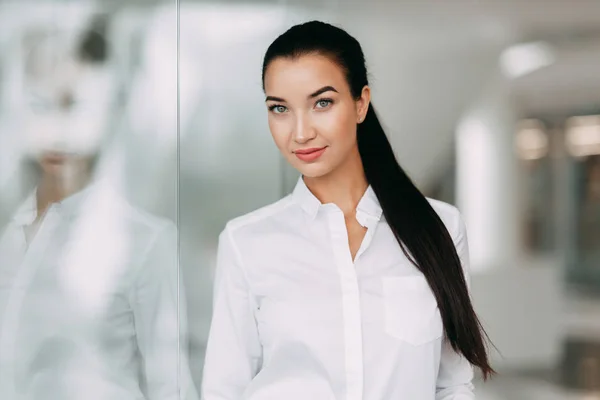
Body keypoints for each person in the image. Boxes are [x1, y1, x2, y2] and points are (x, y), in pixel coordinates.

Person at [202, 20, 494, 399]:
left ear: (360, 103)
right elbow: (224, 391)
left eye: (322, 102)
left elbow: (452, 384)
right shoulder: (246, 243)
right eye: (280, 109)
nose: (301, 132)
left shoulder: (439, 227)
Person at [0, 13, 197, 400]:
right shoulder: (10, 235)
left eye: (76, 106)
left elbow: (171, 387)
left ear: (110, 107)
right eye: (41, 105)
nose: (58, 129)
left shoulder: (144, 243)